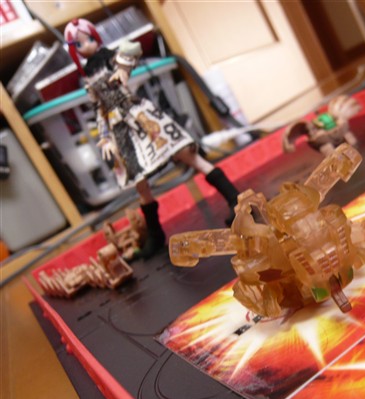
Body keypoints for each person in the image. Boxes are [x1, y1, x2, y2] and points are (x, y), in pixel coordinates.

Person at [64, 18, 240, 258]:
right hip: (119, 128)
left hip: (139, 114)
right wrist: (104, 138)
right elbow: (99, 110)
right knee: (139, 180)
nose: (86, 45)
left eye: (89, 39)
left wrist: (123, 71)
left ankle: (234, 198)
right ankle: (156, 234)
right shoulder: (88, 77)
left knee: (185, 153)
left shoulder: (109, 57)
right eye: (79, 44)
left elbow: (132, 49)